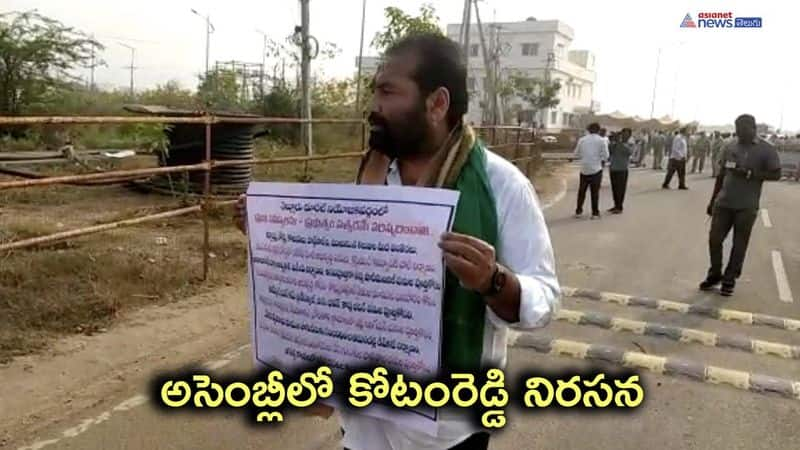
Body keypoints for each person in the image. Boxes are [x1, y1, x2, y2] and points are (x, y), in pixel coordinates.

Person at [236, 33, 561, 450]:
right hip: (364, 426)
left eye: (389, 92)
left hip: (449, 431)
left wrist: (493, 281)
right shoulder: (372, 177)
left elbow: (545, 299)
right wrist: (267, 231)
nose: (374, 106)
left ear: (437, 103)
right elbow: (335, 269)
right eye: (375, 91)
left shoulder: (502, 187)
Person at [700, 114, 781, 296]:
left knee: (739, 244)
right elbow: (721, 175)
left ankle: (729, 279)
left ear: (753, 129)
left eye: (743, 130)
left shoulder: (766, 150)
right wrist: (713, 200)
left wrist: (752, 174)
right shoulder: (729, 146)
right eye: (737, 130)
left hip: (747, 206)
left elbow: (776, 174)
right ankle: (715, 273)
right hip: (724, 202)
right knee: (714, 239)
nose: (739, 134)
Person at [574, 122, 610, 219]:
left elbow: (576, 154)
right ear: (598, 130)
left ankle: (578, 211)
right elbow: (606, 156)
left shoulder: (582, 140)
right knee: (594, 192)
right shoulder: (602, 140)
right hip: (596, 169)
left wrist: (584, 157)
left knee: (582, 191)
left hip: (584, 169)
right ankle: (595, 213)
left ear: (588, 130)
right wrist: (599, 158)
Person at [608, 128, 633, 213]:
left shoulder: (630, 144)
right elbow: (609, 150)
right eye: (622, 134)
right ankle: (616, 205)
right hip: (613, 169)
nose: (624, 136)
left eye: (626, 134)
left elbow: (629, 152)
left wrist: (618, 142)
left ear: (629, 135)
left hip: (622, 170)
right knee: (614, 189)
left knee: (620, 189)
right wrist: (612, 141)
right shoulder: (616, 143)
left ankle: (619, 207)